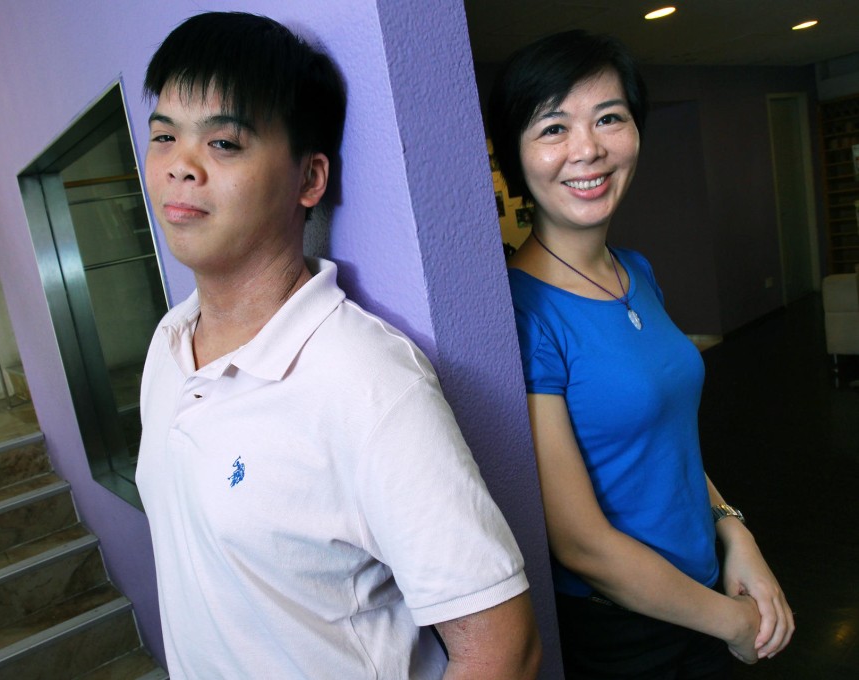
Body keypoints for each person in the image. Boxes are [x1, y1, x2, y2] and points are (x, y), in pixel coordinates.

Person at [134, 12, 541, 679]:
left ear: (309, 179)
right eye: (163, 137)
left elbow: (505, 651)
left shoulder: (365, 378)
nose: (180, 167)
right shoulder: (168, 343)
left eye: (225, 143)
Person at [487, 30, 794, 679]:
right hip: (628, 634)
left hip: (701, 589)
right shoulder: (520, 311)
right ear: (515, 156)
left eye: (609, 118)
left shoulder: (637, 272)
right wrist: (732, 622)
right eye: (553, 127)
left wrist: (734, 530)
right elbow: (581, 544)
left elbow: (669, 441)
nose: (588, 148)